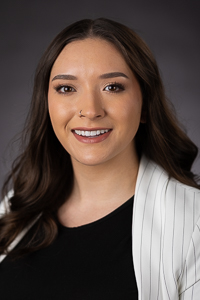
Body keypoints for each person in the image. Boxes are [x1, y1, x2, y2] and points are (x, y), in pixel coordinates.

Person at [0, 18, 200, 300]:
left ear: (145, 104)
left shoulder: (194, 225)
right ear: (47, 105)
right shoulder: (15, 209)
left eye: (112, 87)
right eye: (67, 89)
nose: (90, 110)